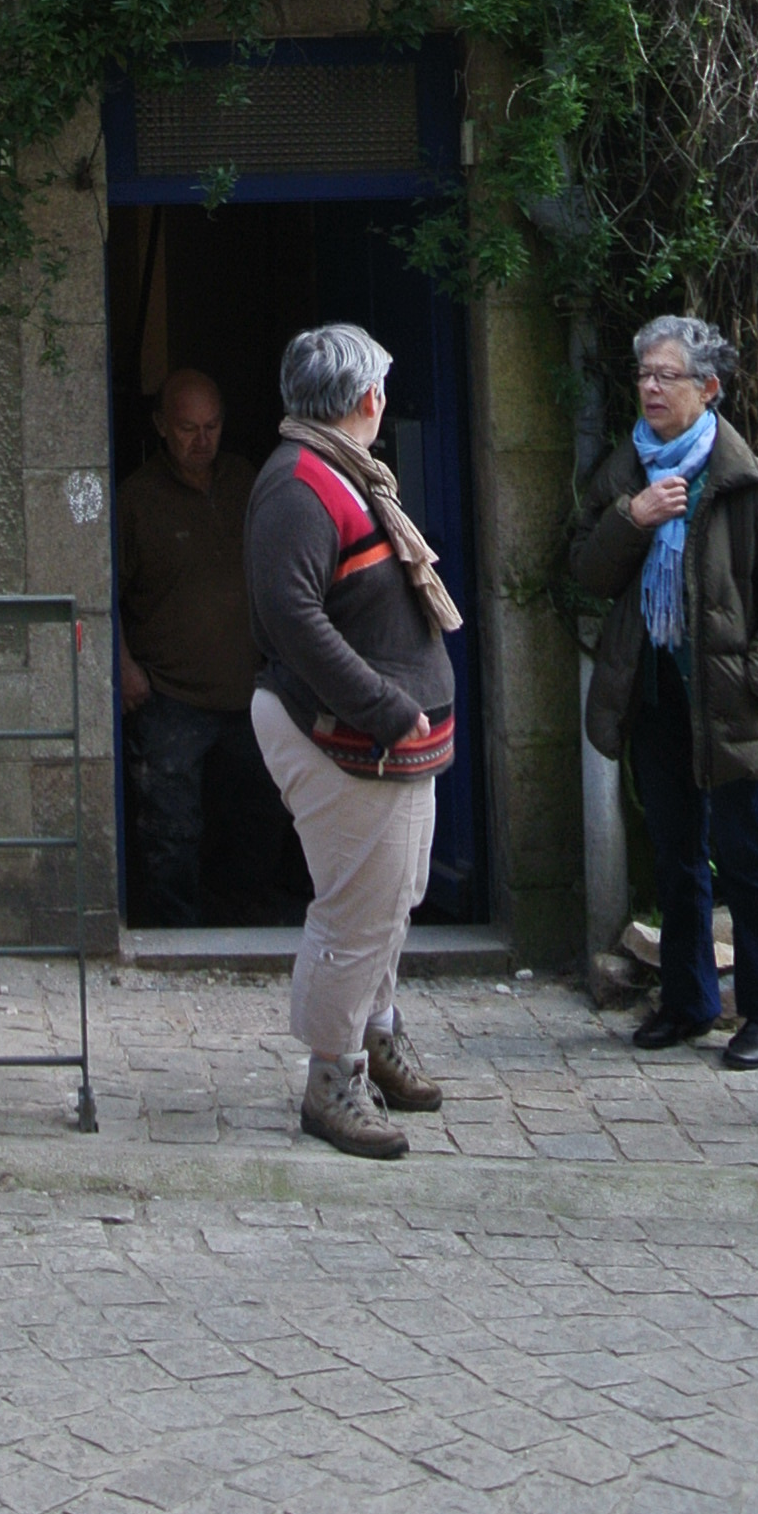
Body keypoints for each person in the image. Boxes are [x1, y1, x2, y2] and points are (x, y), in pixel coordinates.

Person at [572, 314, 758, 1066]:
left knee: (748, 855)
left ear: (707, 389)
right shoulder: (625, 472)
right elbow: (583, 572)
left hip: (732, 701)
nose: (650, 387)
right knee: (675, 854)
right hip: (657, 697)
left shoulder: (748, 482)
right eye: (643, 374)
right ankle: (686, 1001)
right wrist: (633, 519)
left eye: (666, 375)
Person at [243, 320, 458, 1160]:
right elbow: (291, 620)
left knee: (391, 901)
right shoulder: (300, 484)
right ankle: (332, 1079)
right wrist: (381, 705)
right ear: (368, 397)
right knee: (356, 915)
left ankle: (377, 1033)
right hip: (347, 738)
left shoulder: (338, 471)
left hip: (381, 741)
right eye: (383, 389)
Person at [115, 367, 267, 925]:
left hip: (249, 695)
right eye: (187, 428)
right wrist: (122, 665)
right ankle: (174, 944)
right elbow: (103, 595)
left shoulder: (246, 481)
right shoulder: (136, 499)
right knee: (171, 833)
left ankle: (244, 935)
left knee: (254, 823)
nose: (202, 440)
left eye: (212, 426)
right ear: (160, 426)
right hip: (170, 699)